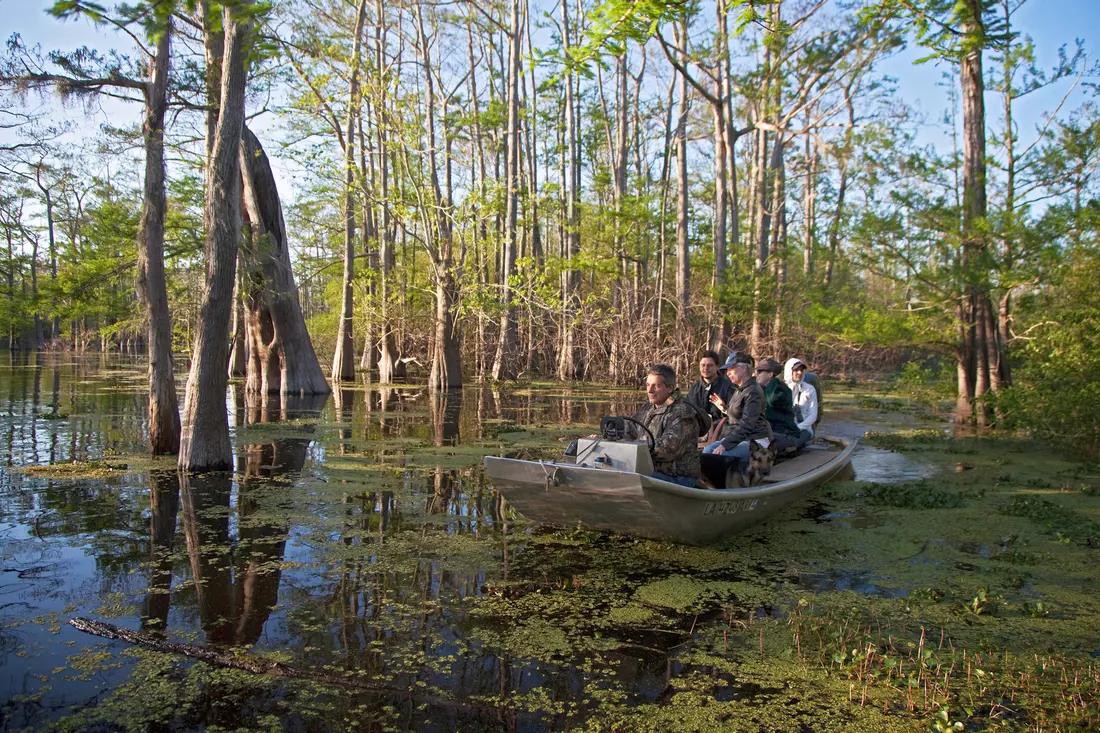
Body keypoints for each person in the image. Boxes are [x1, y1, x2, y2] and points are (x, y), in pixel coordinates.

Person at [623, 363, 705, 487]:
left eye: (656, 386)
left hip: (678, 478)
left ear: (670, 388)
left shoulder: (683, 413)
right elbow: (630, 428)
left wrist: (633, 448)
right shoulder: (648, 407)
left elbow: (667, 450)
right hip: (653, 472)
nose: (650, 390)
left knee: (628, 477)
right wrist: (604, 438)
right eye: (648, 385)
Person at [703, 352, 772, 458]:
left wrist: (725, 445)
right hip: (739, 439)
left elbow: (747, 425)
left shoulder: (753, 391)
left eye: (731, 369)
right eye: (726, 370)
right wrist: (725, 409)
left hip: (754, 441)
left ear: (744, 369)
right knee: (707, 451)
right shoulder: (740, 389)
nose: (727, 373)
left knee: (717, 456)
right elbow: (740, 415)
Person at [755, 357, 804, 454]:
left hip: (786, 434)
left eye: (760, 371)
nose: (756, 374)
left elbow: (771, 401)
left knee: (756, 438)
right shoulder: (763, 389)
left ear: (770, 374)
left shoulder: (781, 390)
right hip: (770, 432)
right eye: (757, 371)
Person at [686, 350, 735, 425]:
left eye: (710, 365)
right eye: (703, 365)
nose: (706, 368)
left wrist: (725, 408)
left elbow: (735, 416)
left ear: (717, 367)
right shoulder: (694, 390)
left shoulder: (728, 388)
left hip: (721, 432)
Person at [784, 357, 818, 441]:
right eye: (796, 370)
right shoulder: (781, 389)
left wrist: (798, 428)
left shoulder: (809, 389)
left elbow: (813, 415)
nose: (800, 373)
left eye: (801, 370)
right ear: (789, 371)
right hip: (784, 428)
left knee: (793, 441)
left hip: (803, 429)